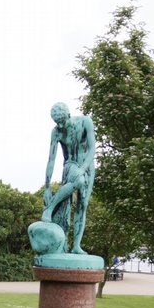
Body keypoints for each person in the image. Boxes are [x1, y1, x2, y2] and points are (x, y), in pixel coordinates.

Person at [41, 102, 96, 255]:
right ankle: (50, 208)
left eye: (62, 121)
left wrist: (83, 169)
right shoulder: (56, 132)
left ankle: (76, 246)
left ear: (69, 116)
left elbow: (92, 148)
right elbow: (51, 160)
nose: (60, 125)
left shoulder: (85, 122)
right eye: (57, 122)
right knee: (79, 181)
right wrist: (47, 187)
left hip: (87, 165)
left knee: (83, 205)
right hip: (70, 164)